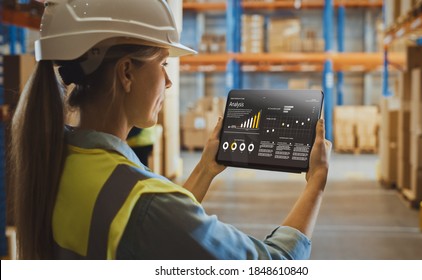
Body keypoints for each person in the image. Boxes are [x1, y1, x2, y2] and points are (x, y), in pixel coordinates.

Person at [9, 0, 332, 260]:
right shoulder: (143, 201)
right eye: (162, 63)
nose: (168, 81)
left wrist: (205, 170)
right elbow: (272, 264)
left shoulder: (55, 157)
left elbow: (145, 231)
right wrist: (316, 183)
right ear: (126, 74)